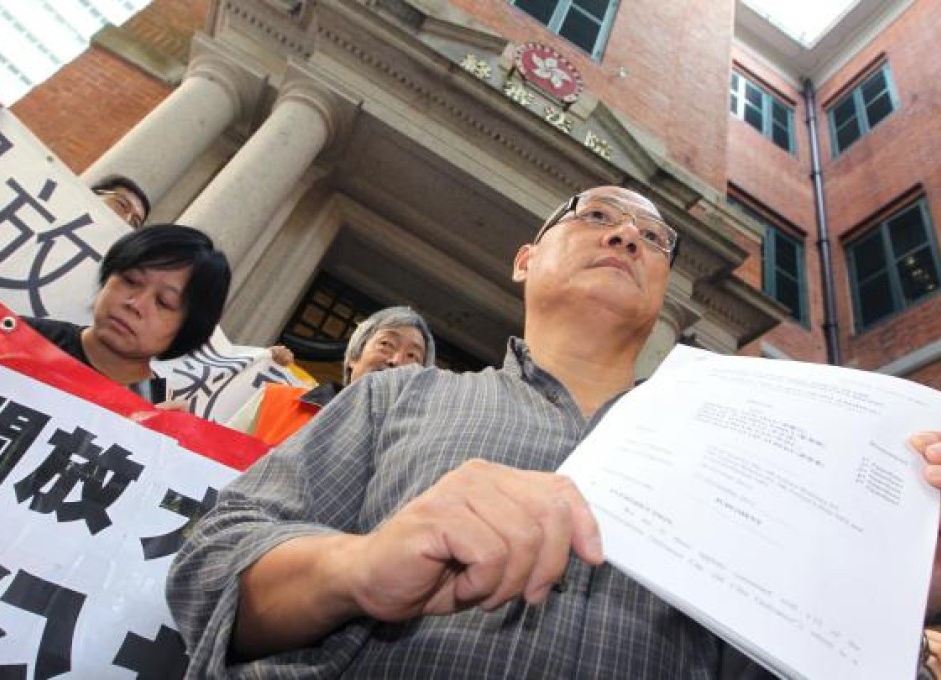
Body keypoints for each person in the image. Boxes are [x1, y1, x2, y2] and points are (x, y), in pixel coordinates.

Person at [166, 186, 941, 678]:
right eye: (598, 216)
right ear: (524, 260)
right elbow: (211, 563)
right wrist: (358, 565)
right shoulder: (393, 396)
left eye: (652, 237)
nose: (627, 238)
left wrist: (895, 573)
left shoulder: (732, 456)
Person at [25, 224, 230, 405]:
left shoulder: (154, 418)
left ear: (187, 329)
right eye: (131, 281)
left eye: (164, 302)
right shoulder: (19, 336)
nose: (136, 304)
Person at [230, 306, 436, 447]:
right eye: (387, 344)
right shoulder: (275, 401)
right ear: (354, 356)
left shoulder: (407, 458)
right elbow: (211, 458)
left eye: (412, 356)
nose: (396, 361)